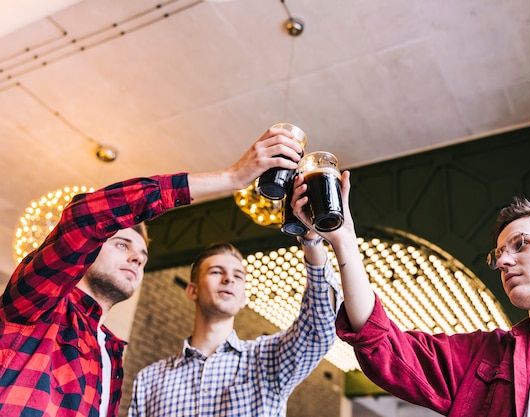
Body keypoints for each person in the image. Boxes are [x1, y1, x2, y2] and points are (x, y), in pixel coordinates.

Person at [0, 125, 306, 417]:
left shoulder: (109, 352)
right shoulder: (38, 308)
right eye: (122, 245)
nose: (136, 258)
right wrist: (232, 177)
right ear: (89, 250)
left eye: (143, 256)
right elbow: (85, 216)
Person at [289, 171, 530, 417]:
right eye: (499, 254)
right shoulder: (483, 357)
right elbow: (382, 343)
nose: (504, 261)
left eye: (521, 244)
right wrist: (343, 240)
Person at [128, 235, 340, 416]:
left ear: (243, 298)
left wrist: (311, 240)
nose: (229, 278)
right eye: (216, 272)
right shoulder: (149, 380)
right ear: (192, 290)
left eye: (238, 276)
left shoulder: (265, 359)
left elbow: (320, 327)